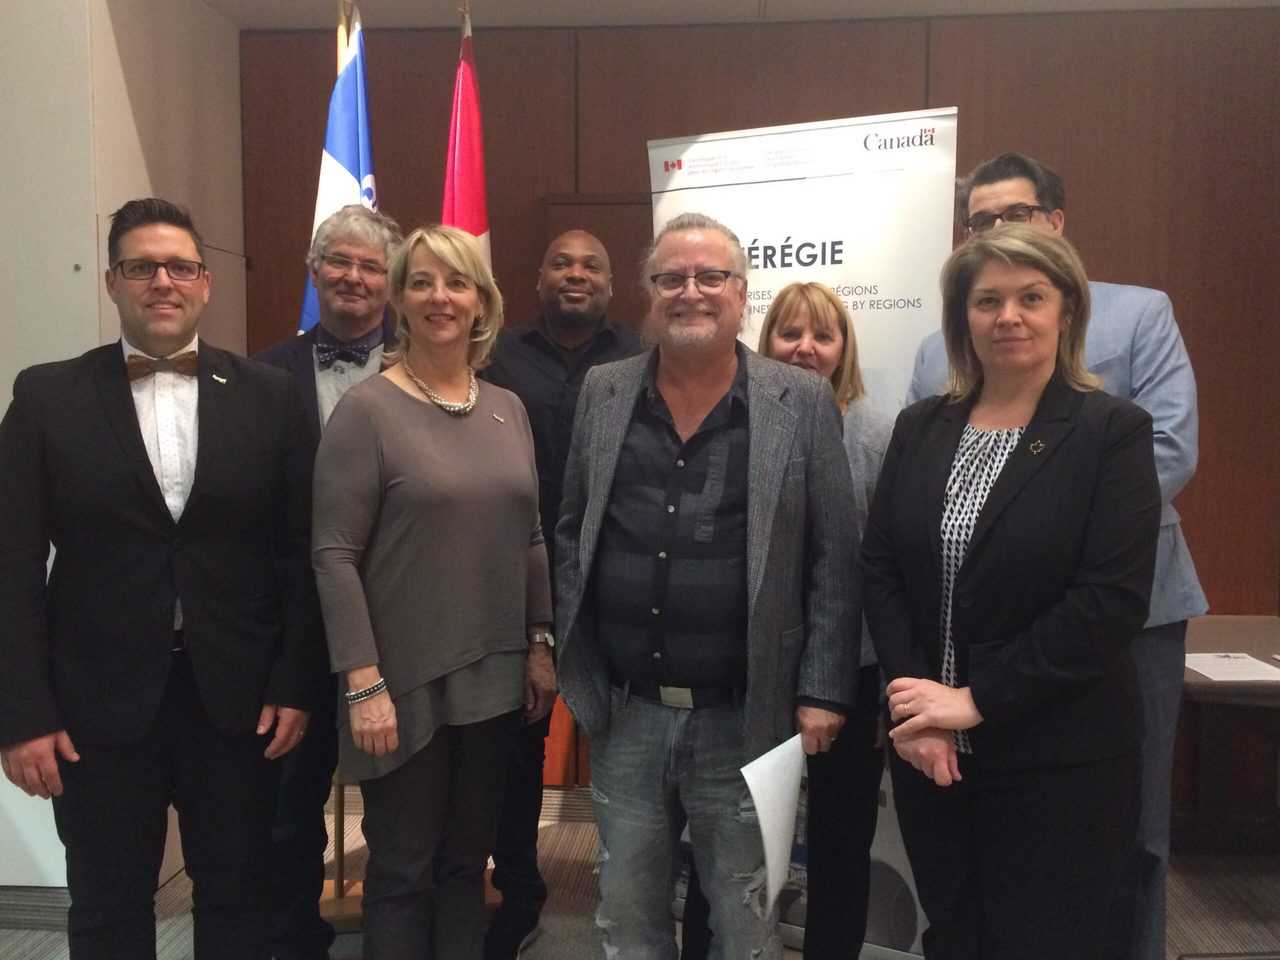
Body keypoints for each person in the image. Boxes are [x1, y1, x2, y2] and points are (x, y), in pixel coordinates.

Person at [0, 197, 320, 958]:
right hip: (95, 705)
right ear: (112, 282)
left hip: (239, 702)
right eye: (142, 267)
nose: (162, 282)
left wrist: (296, 682)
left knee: (241, 899)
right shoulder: (46, 397)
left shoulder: (272, 397)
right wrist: (21, 715)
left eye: (180, 266)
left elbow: (300, 554)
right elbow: (11, 564)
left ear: (206, 282)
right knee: (107, 905)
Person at [905, 151, 1205, 960]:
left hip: (1119, 612)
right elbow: (914, 508)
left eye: (1015, 214)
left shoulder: (1138, 316)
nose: (996, 230)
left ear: (1056, 222)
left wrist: (1047, 534)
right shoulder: (934, 360)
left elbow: (1169, 450)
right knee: (976, 869)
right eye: (980, 221)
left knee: (1126, 836)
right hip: (969, 641)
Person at [554, 212, 858, 960]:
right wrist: (574, 660)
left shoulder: (799, 399)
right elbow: (571, 531)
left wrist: (823, 689)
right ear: (650, 291)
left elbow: (833, 556)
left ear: (741, 292)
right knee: (627, 915)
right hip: (626, 712)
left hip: (746, 714)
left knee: (744, 919)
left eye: (711, 276)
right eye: (672, 278)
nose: (691, 291)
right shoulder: (604, 389)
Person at [864, 224, 1161, 959]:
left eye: (1031, 297)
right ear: (962, 317)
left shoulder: (1111, 432)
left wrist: (975, 700)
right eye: (987, 300)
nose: (1009, 317)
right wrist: (919, 710)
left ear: (1067, 310)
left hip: (1059, 756)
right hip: (931, 753)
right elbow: (882, 568)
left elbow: (1109, 601)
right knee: (955, 935)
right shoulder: (920, 426)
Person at [311, 224, 556, 960]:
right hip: (401, 683)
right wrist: (362, 682)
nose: (439, 297)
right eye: (421, 282)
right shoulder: (366, 410)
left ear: (482, 301)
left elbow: (531, 534)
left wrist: (539, 643)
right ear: (399, 298)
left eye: (456, 282)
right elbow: (332, 554)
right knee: (402, 870)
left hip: (494, 677)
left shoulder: (508, 407)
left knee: (465, 865)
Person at [681, 282, 892, 960]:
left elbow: (889, 572)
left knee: (840, 844)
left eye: (822, 336)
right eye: (789, 333)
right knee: (729, 841)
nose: (805, 348)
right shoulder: (733, 423)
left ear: (844, 348)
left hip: (852, 673)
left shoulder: (878, 434)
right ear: (765, 340)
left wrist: (884, 688)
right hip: (752, 671)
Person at [479, 229, 643, 959]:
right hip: (514, 574)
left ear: (611, 283)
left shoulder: (642, 354)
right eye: (561, 263)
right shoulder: (495, 354)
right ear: (538, 277)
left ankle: (635, 891)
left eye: (591, 265)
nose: (576, 274)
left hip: (619, 576)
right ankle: (518, 891)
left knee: (631, 740)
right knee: (519, 743)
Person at [255, 203, 403, 960]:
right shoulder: (260, 375)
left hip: (402, 619)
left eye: (371, 266)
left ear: (391, 281)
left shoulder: (428, 365)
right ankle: (294, 941)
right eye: (338, 261)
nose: (354, 277)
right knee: (288, 808)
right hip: (295, 626)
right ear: (314, 272)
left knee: (405, 807)